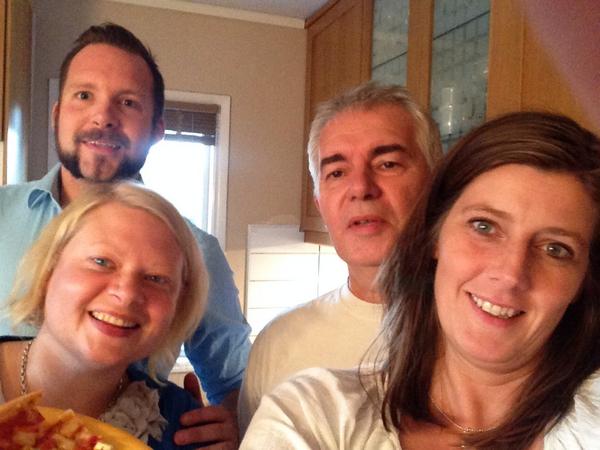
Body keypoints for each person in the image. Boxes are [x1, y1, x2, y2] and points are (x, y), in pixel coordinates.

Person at [240, 111, 600, 449]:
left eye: (556, 249)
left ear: (583, 280)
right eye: (484, 226)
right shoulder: (311, 415)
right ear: (434, 234)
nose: (510, 274)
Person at [0, 23, 248, 447]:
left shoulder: (196, 251)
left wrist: (235, 429)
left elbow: (235, 384)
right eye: (84, 95)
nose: (103, 117)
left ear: (156, 130)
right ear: (57, 114)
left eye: (128, 102)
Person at [238, 82, 443, 433]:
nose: (361, 188)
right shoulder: (277, 345)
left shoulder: (488, 335)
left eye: (388, 164)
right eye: (336, 172)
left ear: (436, 184)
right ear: (320, 205)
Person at [0, 182, 207, 449]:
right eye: (101, 262)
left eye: (156, 278)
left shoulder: (185, 427)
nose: (127, 293)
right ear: (50, 268)